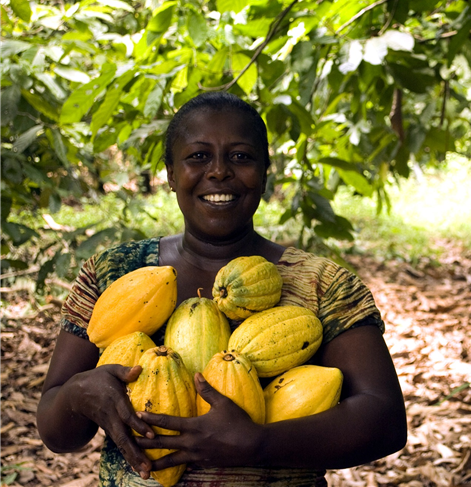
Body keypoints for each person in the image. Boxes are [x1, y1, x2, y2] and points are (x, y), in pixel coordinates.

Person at [36, 92, 408, 486]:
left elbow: (384, 421)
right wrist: (78, 395)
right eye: (198, 156)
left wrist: (259, 443)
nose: (218, 172)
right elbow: (56, 432)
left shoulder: (322, 284)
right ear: (171, 174)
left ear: (265, 172)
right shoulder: (114, 273)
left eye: (241, 157)